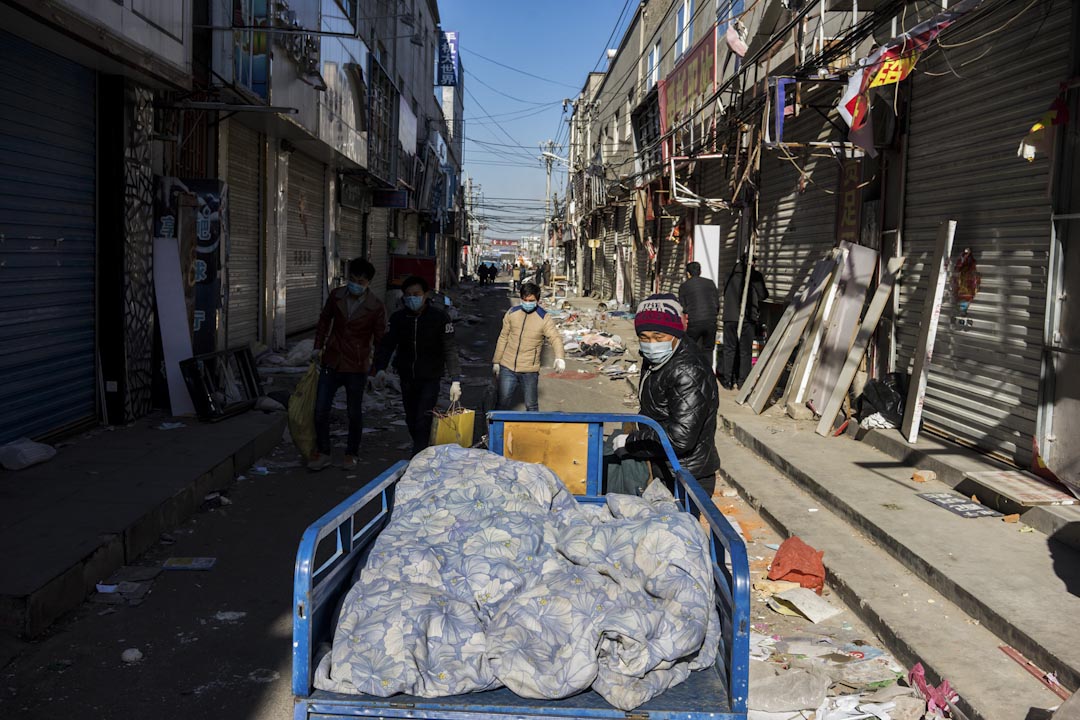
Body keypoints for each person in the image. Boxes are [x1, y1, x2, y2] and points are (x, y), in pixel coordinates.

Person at [611, 294, 720, 496]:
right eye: (644, 337)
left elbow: (680, 438)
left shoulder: (688, 370)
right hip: (662, 463)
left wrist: (632, 442)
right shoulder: (657, 358)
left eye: (658, 337)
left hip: (685, 473)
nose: (651, 344)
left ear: (675, 334)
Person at [372, 276, 462, 456]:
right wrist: (380, 368)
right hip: (406, 376)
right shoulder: (398, 318)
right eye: (408, 295)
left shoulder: (439, 318)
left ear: (425, 294)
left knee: (423, 418)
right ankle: (422, 445)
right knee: (411, 419)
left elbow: (450, 349)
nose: (412, 298)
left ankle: (418, 454)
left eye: (416, 294)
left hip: (430, 377)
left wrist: (455, 379)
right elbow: (388, 344)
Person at [311, 258, 386, 471]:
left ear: (368, 283)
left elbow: (380, 339)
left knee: (354, 413)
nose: (355, 284)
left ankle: (351, 453)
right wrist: (318, 346)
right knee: (320, 409)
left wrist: (377, 368)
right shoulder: (337, 296)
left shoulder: (376, 306)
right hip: (332, 359)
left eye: (360, 281)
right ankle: (323, 452)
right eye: (352, 280)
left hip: (357, 364)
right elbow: (324, 320)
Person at [492, 282, 566, 411]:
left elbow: (555, 338)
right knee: (502, 404)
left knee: (531, 406)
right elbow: (503, 337)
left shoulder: (544, 318)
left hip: (529, 371)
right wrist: (496, 361)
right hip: (508, 367)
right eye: (524, 300)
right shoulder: (512, 313)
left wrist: (559, 357)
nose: (527, 303)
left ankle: (533, 430)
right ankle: (497, 431)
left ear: (537, 300)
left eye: (531, 300)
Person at [721, 257, 769, 390]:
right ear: (752, 263)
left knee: (729, 349)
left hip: (730, 317)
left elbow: (726, 293)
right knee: (745, 351)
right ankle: (743, 382)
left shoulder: (728, 275)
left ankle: (728, 381)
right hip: (747, 318)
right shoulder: (755, 276)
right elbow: (763, 295)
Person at [678, 261, 720, 365]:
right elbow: (717, 304)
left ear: (688, 273)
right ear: (700, 271)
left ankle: (693, 371)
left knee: (690, 348)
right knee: (708, 350)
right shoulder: (710, 283)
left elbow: (684, 307)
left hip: (695, 322)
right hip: (711, 321)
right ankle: (708, 374)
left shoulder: (684, 286)